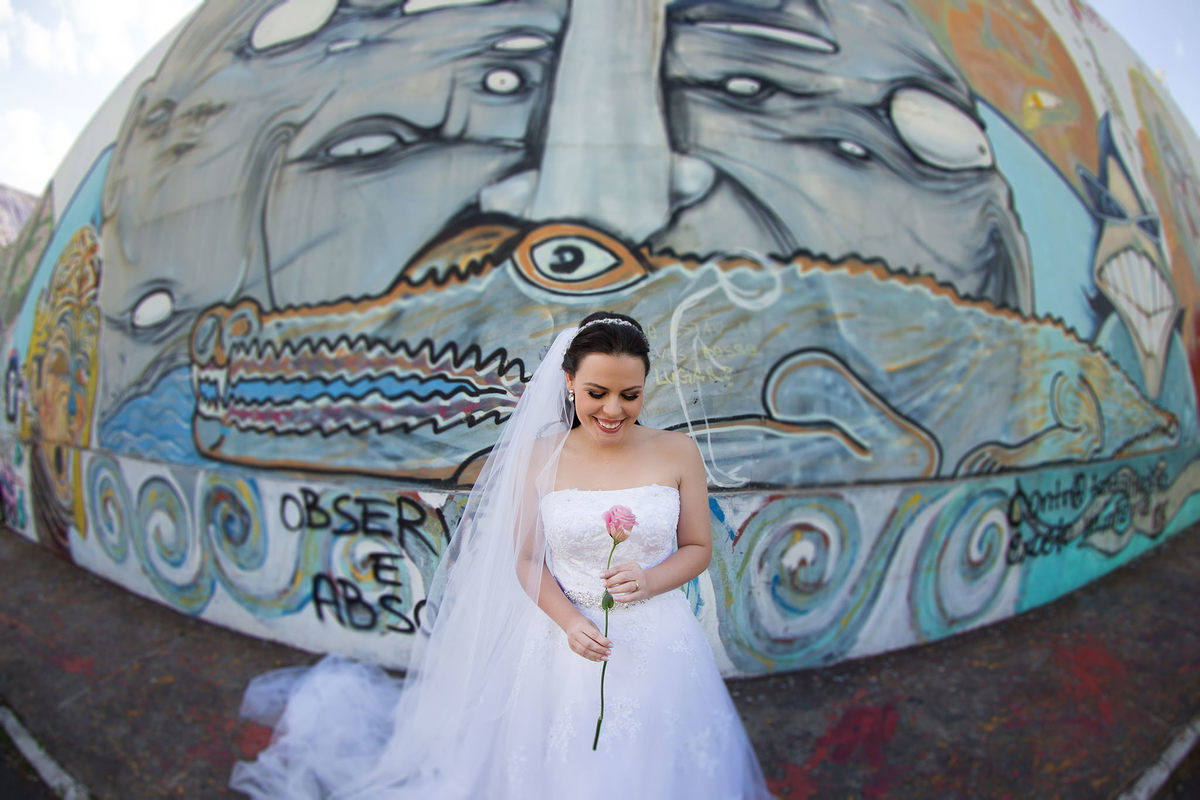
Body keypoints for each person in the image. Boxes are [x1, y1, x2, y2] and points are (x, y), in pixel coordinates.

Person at [230, 312, 770, 798]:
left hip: (659, 641)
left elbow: (698, 547)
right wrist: (568, 623)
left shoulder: (677, 451)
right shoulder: (540, 456)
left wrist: (652, 581)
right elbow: (527, 561)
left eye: (630, 395)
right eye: (597, 392)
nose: (613, 410)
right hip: (566, 639)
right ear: (569, 383)